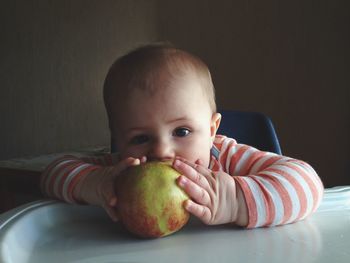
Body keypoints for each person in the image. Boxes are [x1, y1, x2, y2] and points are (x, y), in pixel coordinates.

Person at [40, 43, 324, 228]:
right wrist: (94, 183)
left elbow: (308, 183)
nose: (161, 151)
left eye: (182, 131)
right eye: (140, 138)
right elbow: (52, 173)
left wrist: (235, 199)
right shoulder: (119, 173)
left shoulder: (227, 158)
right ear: (118, 140)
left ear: (212, 131)